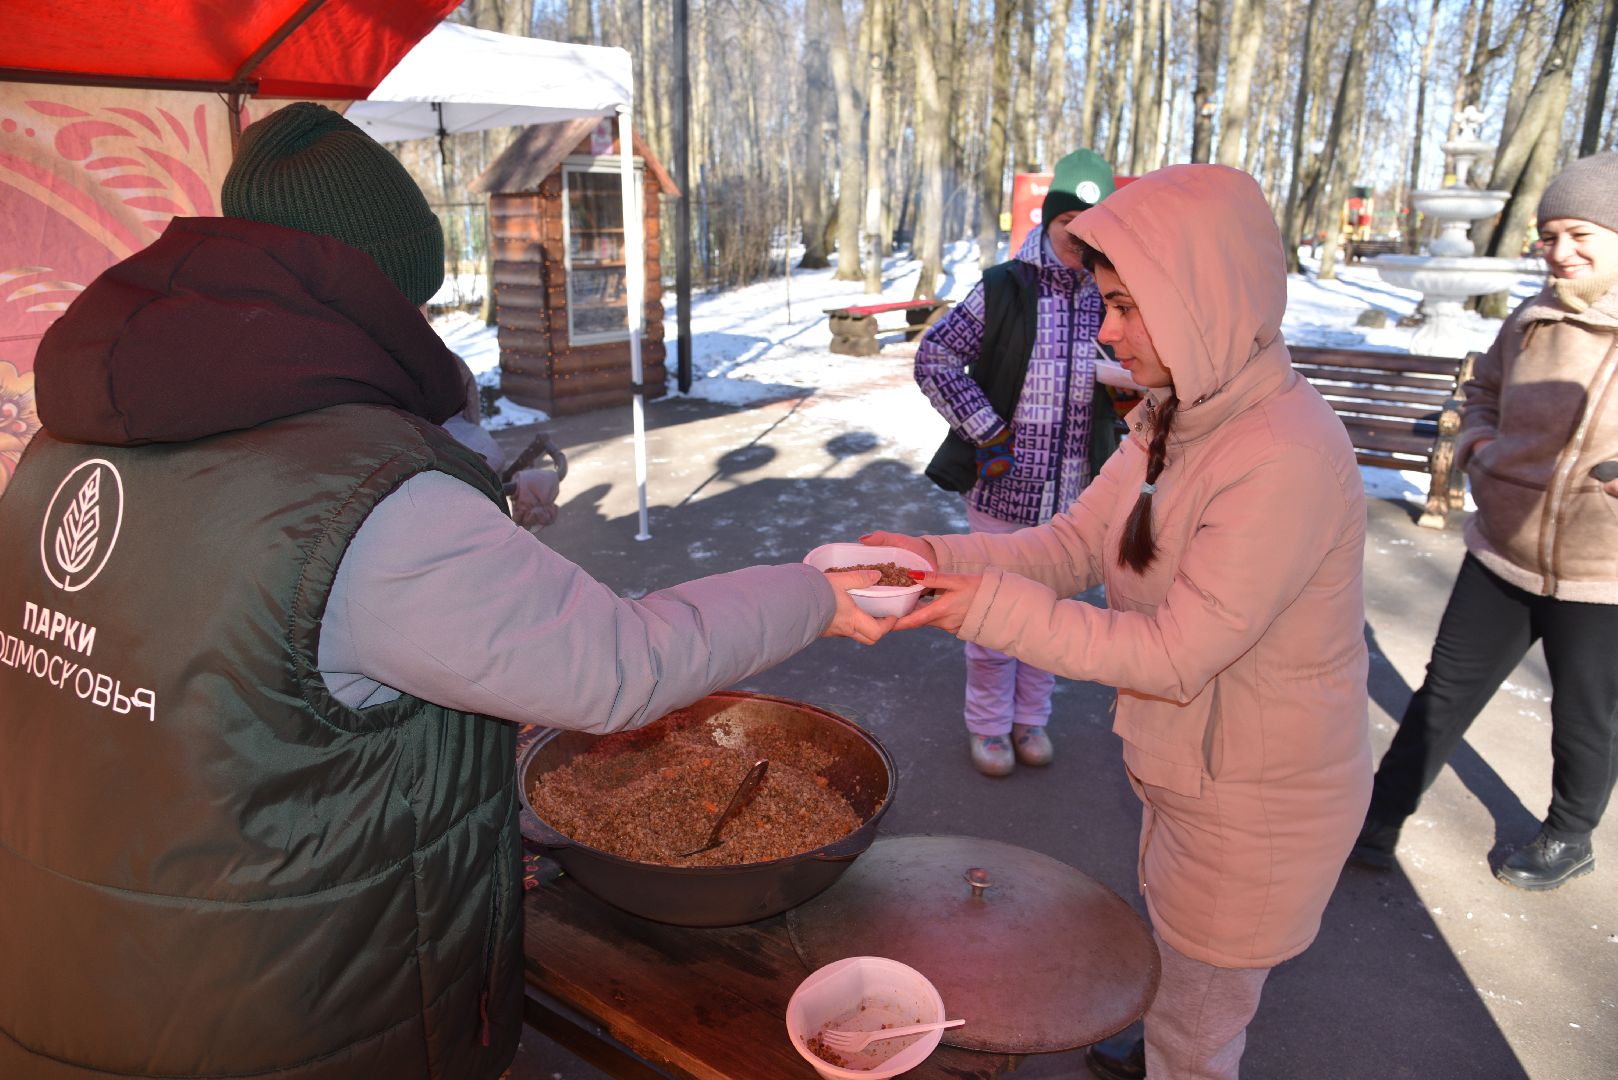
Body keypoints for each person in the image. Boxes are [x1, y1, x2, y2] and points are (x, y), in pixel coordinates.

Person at [0, 103, 890, 1080]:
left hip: (74, 976)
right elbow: (617, 667)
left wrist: (486, 505)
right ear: (367, 294)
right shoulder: (367, 496)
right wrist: (814, 594)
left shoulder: (62, 448)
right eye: (411, 302)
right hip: (277, 1014)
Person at [866, 164, 1372, 1079]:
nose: (1106, 331)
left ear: (1206, 301)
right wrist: (936, 558)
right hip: (1194, 771)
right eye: (1105, 303)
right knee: (1177, 975)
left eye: (1130, 307)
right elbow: (1071, 546)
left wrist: (983, 607)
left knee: (1198, 1034)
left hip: (1257, 806)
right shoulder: (1178, 416)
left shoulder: (1283, 457)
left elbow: (1176, 655)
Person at [1352, 152, 1618, 891]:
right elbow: (1483, 395)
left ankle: (1569, 835)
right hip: (1503, 548)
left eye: (1580, 236)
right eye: (1550, 236)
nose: (1560, 252)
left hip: (1603, 574)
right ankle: (1378, 819)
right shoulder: (1531, 319)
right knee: (1443, 692)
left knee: (1586, 715)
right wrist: (1479, 448)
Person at [913, 148, 1123, 777]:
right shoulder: (1006, 286)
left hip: (1077, 502)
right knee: (993, 615)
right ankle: (988, 726)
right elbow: (935, 357)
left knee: (1049, 621)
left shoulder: (1113, 294)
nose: (1080, 238)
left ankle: (1031, 719)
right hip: (1005, 490)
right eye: (1069, 223)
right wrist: (988, 430)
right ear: (1050, 218)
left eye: (1093, 226)